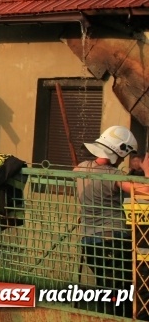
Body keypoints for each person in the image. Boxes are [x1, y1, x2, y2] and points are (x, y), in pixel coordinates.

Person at [75, 125, 149, 318]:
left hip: (88, 241)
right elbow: (144, 191)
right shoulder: (113, 175)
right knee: (122, 290)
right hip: (112, 241)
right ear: (118, 152)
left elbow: (77, 171)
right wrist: (146, 171)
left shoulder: (81, 167)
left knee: (107, 288)